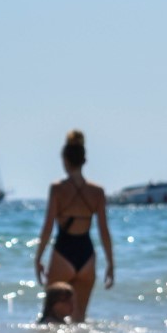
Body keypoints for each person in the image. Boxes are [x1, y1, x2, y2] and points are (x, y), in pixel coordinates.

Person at [35, 129, 114, 322]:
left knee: (50, 317)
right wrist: (111, 263)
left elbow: (47, 227)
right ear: (83, 160)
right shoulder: (97, 192)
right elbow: (104, 231)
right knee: (79, 320)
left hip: (63, 252)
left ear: (65, 160)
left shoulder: (57, 189)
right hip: (87, 256)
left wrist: (38, 257)